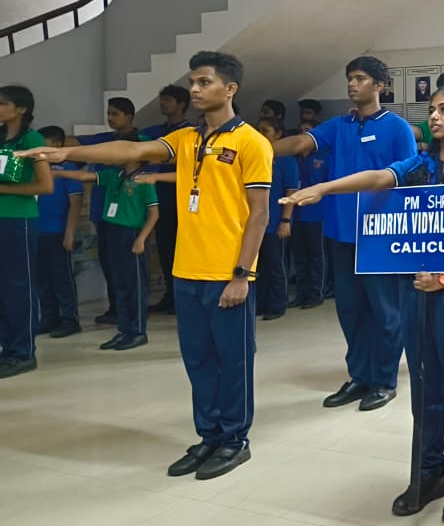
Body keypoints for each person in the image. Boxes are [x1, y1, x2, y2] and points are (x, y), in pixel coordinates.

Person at [20, 51, 272, 478]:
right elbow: (131, 149)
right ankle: (209, 435)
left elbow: (260, 214)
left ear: (229, 89)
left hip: (226, 274)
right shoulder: (187, 139)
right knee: (197, 360)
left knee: (233, 361)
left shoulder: (251, 142)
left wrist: (242, 275)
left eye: (205, 82)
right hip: (187, 271)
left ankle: (234, 439)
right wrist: (67, 155)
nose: (194, 89)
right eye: (193, 82)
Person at [281, 85, 444, 522]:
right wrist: (325, 188)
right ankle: (427, 472)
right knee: (424, 383)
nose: (434, 117)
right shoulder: (419, 165)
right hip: (414, 289)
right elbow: (379, 178)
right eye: (431, 110)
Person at [272, 56, 417, 412]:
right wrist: (254, 149)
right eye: (349, 78)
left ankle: (383, 379)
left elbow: (407, 179)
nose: (352, 85)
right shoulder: (339, 125)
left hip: (382, 235)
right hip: (340, 232)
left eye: (361, 78)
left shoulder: (398, 129)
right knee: (350, 310)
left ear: (379, 86)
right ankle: (360, 376)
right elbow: (299, 144)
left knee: (385, 311)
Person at [54, 142, 160, 351]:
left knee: (135, 285)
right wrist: (60, 174)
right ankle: (124, 330)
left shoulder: (144, 180)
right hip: (113, 230)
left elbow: (154, 214)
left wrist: (141, 239)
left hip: (132, 234)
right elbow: (86, 177)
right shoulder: (114, 175)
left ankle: (138, 331)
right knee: (118, 283)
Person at [77, 96, 146, 326]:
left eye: (115, 114)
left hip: (130, 217)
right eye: (108, 113)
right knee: (110, 263)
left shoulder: (141, 142)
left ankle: (133, 315)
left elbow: (144, 182)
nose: (110, 118)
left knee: (130, 268)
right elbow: (73, 145)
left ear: (129, 116)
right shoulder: (105, 140)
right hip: (104, 212)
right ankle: (116, 308)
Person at [0, 86, 54, 379]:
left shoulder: (33, 140)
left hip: (18, 221)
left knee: (18, 286)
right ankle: (7, 348)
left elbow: (46, 187)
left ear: (21, 109)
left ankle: (23, 352)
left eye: (3, 103)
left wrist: (4, 189)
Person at [143, 84, 194, 314]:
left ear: (181, 104)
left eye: (168, 100)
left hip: (183, 201)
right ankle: (169, 294)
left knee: (182, 250)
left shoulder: (191, 132)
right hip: (160, 198)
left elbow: (187, 165)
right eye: (162, 99)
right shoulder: (157, 131)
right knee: (165, 249)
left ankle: (183, 296)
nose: (163, 104)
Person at [34, 125, 83, 338]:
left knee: (61, 277)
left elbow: (75, 204)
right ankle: (49, 317)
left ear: (56, 145)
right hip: (36, 231)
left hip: (57, 232)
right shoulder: (36, 169)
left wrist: (69, 233)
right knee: (41, 278)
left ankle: (69, 318)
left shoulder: (68, 170)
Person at [254, 117, 298, 320]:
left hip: (275, 222)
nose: (260, 134)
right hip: (255, 222)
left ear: (278, 135)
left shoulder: (286, 160)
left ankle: (278, 303)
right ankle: (261, 302)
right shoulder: (255, 156)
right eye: (259, 130)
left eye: (266, 131)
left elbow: (291, 190)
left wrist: (285, 220)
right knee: (258, 267)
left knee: (275, 265)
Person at [292, 119, 327, 309]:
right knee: (299, 256)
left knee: (316, 256)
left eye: (309, 131)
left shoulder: (323, 156)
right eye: (301, 131)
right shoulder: (294, 157)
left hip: (316, 214)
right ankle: (301, 293)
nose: (305, 134)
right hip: (296, 213)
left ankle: (316, 293)